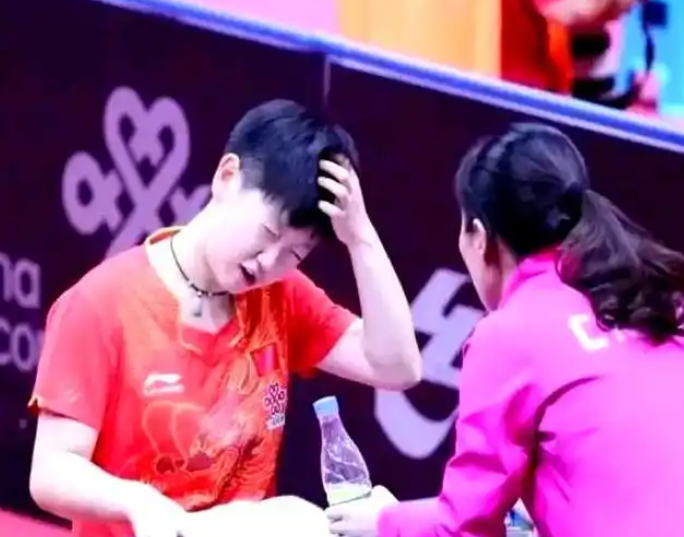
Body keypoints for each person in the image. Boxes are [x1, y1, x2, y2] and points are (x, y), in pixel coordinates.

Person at [28, 100, 422, 537]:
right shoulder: (100, 305)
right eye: (268, 233)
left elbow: (397, 367)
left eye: (294, 254)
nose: (268, 262)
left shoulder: (281, 295)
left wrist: (361, 237)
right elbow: (51, 471)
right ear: (227, 177)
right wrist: (138, 503)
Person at [326, 122, 684, 537]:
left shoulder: (509, 335)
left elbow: (463, 526)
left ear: (478, 236)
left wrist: (382, 523)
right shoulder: (656, 296)